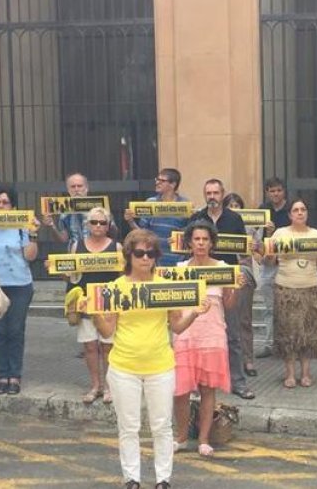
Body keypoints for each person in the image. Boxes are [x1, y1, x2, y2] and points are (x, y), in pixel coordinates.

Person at [91, 229, 208, 489]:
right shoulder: (115, 288)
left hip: (160, 366)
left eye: (151, 253)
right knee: (128, 426)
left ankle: (163, 479)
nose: (146, 258)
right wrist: (94, 313)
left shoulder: (166, 287)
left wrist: (195, 314)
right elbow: (107, 331)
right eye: (140, 253)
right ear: (129, 256)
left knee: (161, 426)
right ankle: (131, 478)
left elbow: (176, 327)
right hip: (124, 366)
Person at [172, 221, 240, 458]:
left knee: (207, 390)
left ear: (212, 243)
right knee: (179, 391)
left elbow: (229, 305)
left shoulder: (223, 267)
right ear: (189, 242)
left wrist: (234, 288)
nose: (200, 243)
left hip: (212, 334)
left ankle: (203, 440)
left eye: (205, 239)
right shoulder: (179, 268)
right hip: (185, 334)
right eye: (196, 239)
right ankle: (180, 437)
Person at [188, 179, 254, 400]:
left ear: (223, 194)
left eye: (216, 192)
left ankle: (238, 382)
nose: (212, 196)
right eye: (208, 192)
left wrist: (241, 274)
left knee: (232, 334)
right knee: (197, 335)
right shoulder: (196, 218)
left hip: (226, 278)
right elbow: (185, 249)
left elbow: (243, 252)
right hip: (200, 281)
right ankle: (197, 382)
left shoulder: (234, 218)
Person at [0, 184, 37, 396]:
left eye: (5, 202)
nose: (1, 206)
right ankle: (3, 375)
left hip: (20, 284)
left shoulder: (21, 226)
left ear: (13, 206)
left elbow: (30, 256)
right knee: (0, 332)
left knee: (15, 330)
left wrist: (33, 235)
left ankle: (15, 376)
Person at [265, 199, 317, 388]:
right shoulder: (281, 233)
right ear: (290, 215)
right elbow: (269, 263)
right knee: (288, 332)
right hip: (285, 288)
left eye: (303, 209)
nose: (300, 213)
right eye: (296, 210)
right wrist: (268, 250)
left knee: (308, 332)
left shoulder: (316, 234)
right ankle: (290, 374)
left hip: (311, 287)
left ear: (307, 213)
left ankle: (306, 373)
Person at [57, 206, 119, 404]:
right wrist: (57, 269)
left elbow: (122, 277)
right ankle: (95, 385)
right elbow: (70, 277)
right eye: (94, 222)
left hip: (108, 302)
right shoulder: (76, 245)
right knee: (90, 347)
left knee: (108, 347)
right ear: (87, 224)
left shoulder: (116, 247)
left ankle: (109, 386)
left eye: (102, 222)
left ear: (108, 225)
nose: (98, 226)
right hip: (85, 302)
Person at [222, 192, 259, 377]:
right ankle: (227, 361)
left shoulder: (250, 229)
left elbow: (262, 255)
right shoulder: (219, 227)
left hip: (244, 276)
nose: (234, 209)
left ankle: (248, 360)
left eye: (237, 205)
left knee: (244, 320)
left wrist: (257, 245)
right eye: (230, 205)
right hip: (222, 276)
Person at [254, 177, 290, 358]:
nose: (275, 194)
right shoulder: (263, 210)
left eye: (278, 190)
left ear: (284, 191)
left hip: (287, 265)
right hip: (268, 266)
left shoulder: (291, 210)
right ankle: (269, 344)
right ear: (267, 192)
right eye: (272, 191)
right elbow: (258, 241)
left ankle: (286, 344)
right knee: (270, 308)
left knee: (287, 307)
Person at [125, 168, 188, 267]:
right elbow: (143, 233)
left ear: (173, 184)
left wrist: (181, 238)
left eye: (162, 181)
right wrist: (131, 222)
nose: (157, 183)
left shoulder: (185, 205)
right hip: (153, 260)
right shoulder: (150, 202)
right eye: (157, 180)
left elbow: (190, 234)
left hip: (177, 261)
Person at [43, 172, 92, 251]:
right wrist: (52, 226)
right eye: (73, 187)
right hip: (74, 253)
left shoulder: (98, 207)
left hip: (97, 253)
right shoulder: (64, 213)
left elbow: (112, 233)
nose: (76, 189)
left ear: (86, 188)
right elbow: (63, 239)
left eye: (79, 186)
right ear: (68, 190)